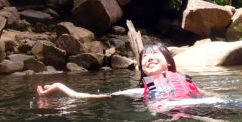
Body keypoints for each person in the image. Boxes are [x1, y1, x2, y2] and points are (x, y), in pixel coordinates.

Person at [36, 42, 205, 100]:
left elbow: (208, 97)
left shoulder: (188, 83)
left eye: (155, 54)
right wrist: (59, 86)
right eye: (145, 57)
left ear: (169, 62)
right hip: (167, 113)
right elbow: (88, 97)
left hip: (197, 107)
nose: (150, 58)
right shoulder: (139, 92)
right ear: (142, 67)